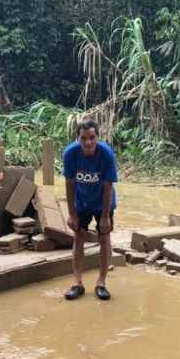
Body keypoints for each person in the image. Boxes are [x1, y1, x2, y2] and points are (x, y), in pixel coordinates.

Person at [62, 117, 118, 300]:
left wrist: (105, 217)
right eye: (84, 138)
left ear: (97, 137)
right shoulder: (70, 154)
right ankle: (77, 283)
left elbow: (108, 186)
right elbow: (69, 184)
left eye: (92, 138)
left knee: (104, 237)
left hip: (103, 201)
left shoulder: (107, 154)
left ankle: (101, 283)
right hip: (81, 201)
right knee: (78, 237)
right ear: (78, 138)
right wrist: (71, 214)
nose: (88, 142)